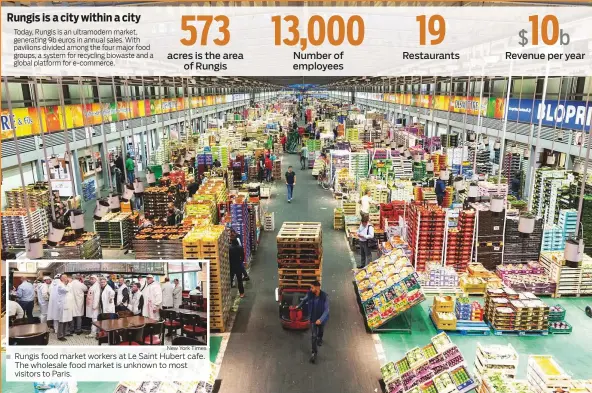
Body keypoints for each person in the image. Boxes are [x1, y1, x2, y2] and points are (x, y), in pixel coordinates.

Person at [297, 281, 329, 364]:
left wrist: (321, 319)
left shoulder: (324, 296)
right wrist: (298, 306)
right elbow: (304, 300)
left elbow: (326, 310)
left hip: (321, 319)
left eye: (312, 287)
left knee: (320, 331)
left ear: (318, 287)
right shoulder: (310, 294)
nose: (310, 289)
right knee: (313, 336)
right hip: (313, 319)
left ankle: (320, 338)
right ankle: (314, 353)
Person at [50, 274, 72, 341]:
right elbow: (66, 290)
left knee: (66, 320)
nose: (66, 278)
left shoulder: (65, 284)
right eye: (64, 277)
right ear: (61, 279)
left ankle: (64, 334)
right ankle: (60, 336)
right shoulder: (60, 285)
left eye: (66, 277)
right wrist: (69, 283)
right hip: (62, 306)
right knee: (62, 321)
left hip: (67, 305)